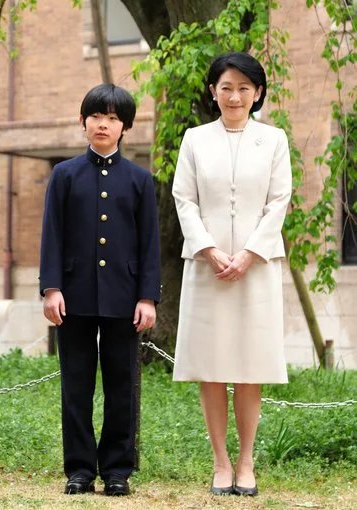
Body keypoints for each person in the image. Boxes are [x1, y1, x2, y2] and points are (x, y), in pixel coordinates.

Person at [172, 52, 292, 497]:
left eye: (244, 87)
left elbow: (278, 201)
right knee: (212, 366)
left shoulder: (274, 139)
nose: (235, 95)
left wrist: (249, 255)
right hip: (207, 268)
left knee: (249, 364)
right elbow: (184, 199)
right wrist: (207, 248)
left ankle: (246, 462)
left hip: (256, 269)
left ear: (257, 92)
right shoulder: (195, 140)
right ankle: (220, 462)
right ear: (212, 92)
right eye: (226, 87)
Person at [39, 84, 161, 497]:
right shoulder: (65, 174)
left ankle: (116, 470)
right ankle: (78, 469)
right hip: (72, 295)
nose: (103, 124)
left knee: (121, 385)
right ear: (83, 122)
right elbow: (51, 234)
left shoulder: (141, 180)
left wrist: (148, 296)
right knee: (76, 384)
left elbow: (150, 243)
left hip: (124, 298)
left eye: (112, 118)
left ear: (125, 126)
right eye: (96, 116)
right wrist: (51, 288)